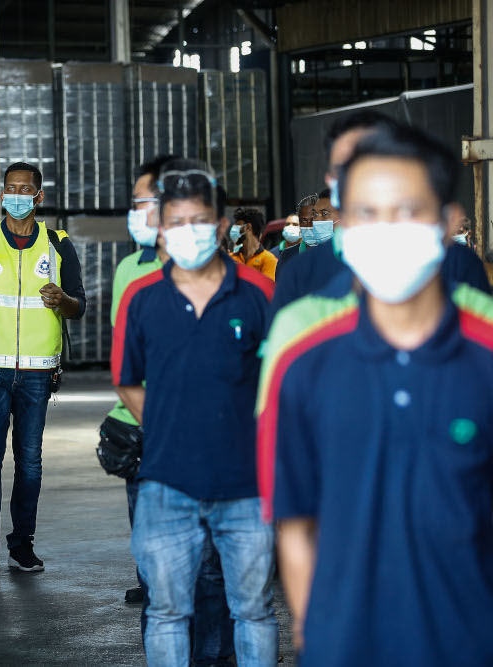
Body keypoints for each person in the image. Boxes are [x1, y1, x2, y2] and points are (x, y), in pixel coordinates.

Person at [258, 123, 493, 666]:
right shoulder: (302, 360)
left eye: (407, 211)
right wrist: (316, 637)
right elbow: (295, 523)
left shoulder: (483, 355)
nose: (385, 230)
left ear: (445, 223)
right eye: (365, 212)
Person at [113, 159, 278, 666]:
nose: (189, 233)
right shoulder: (141, 297)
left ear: (223, 226)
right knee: (167, 611)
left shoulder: (260, 294)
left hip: (248, 489)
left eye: (200, 221)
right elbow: (126, 380)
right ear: (162, 229)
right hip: (166, 485)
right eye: (177, 222)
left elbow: (280, 384)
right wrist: (171, 431)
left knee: (252, 610)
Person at [0, 161, 86, 576]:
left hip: (39, 370)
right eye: (10, 187)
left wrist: (62, 299)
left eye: (26, 188)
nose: (17, 195)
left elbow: (79, 305)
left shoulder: (57, 243)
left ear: (39, 197)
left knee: (30, 462)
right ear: (2, 193)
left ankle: (22, 545)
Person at [271, 112, 490, 317]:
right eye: (346, 168)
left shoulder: (459, 264)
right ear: (330, 180)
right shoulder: (299, 274)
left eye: (374, 160)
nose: (362, 177)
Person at [230, 207, 277, 280]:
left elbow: (267, 288)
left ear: (248, 227)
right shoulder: (231, 258)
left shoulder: (268, 259)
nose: (233, 229)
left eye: (238, 225)